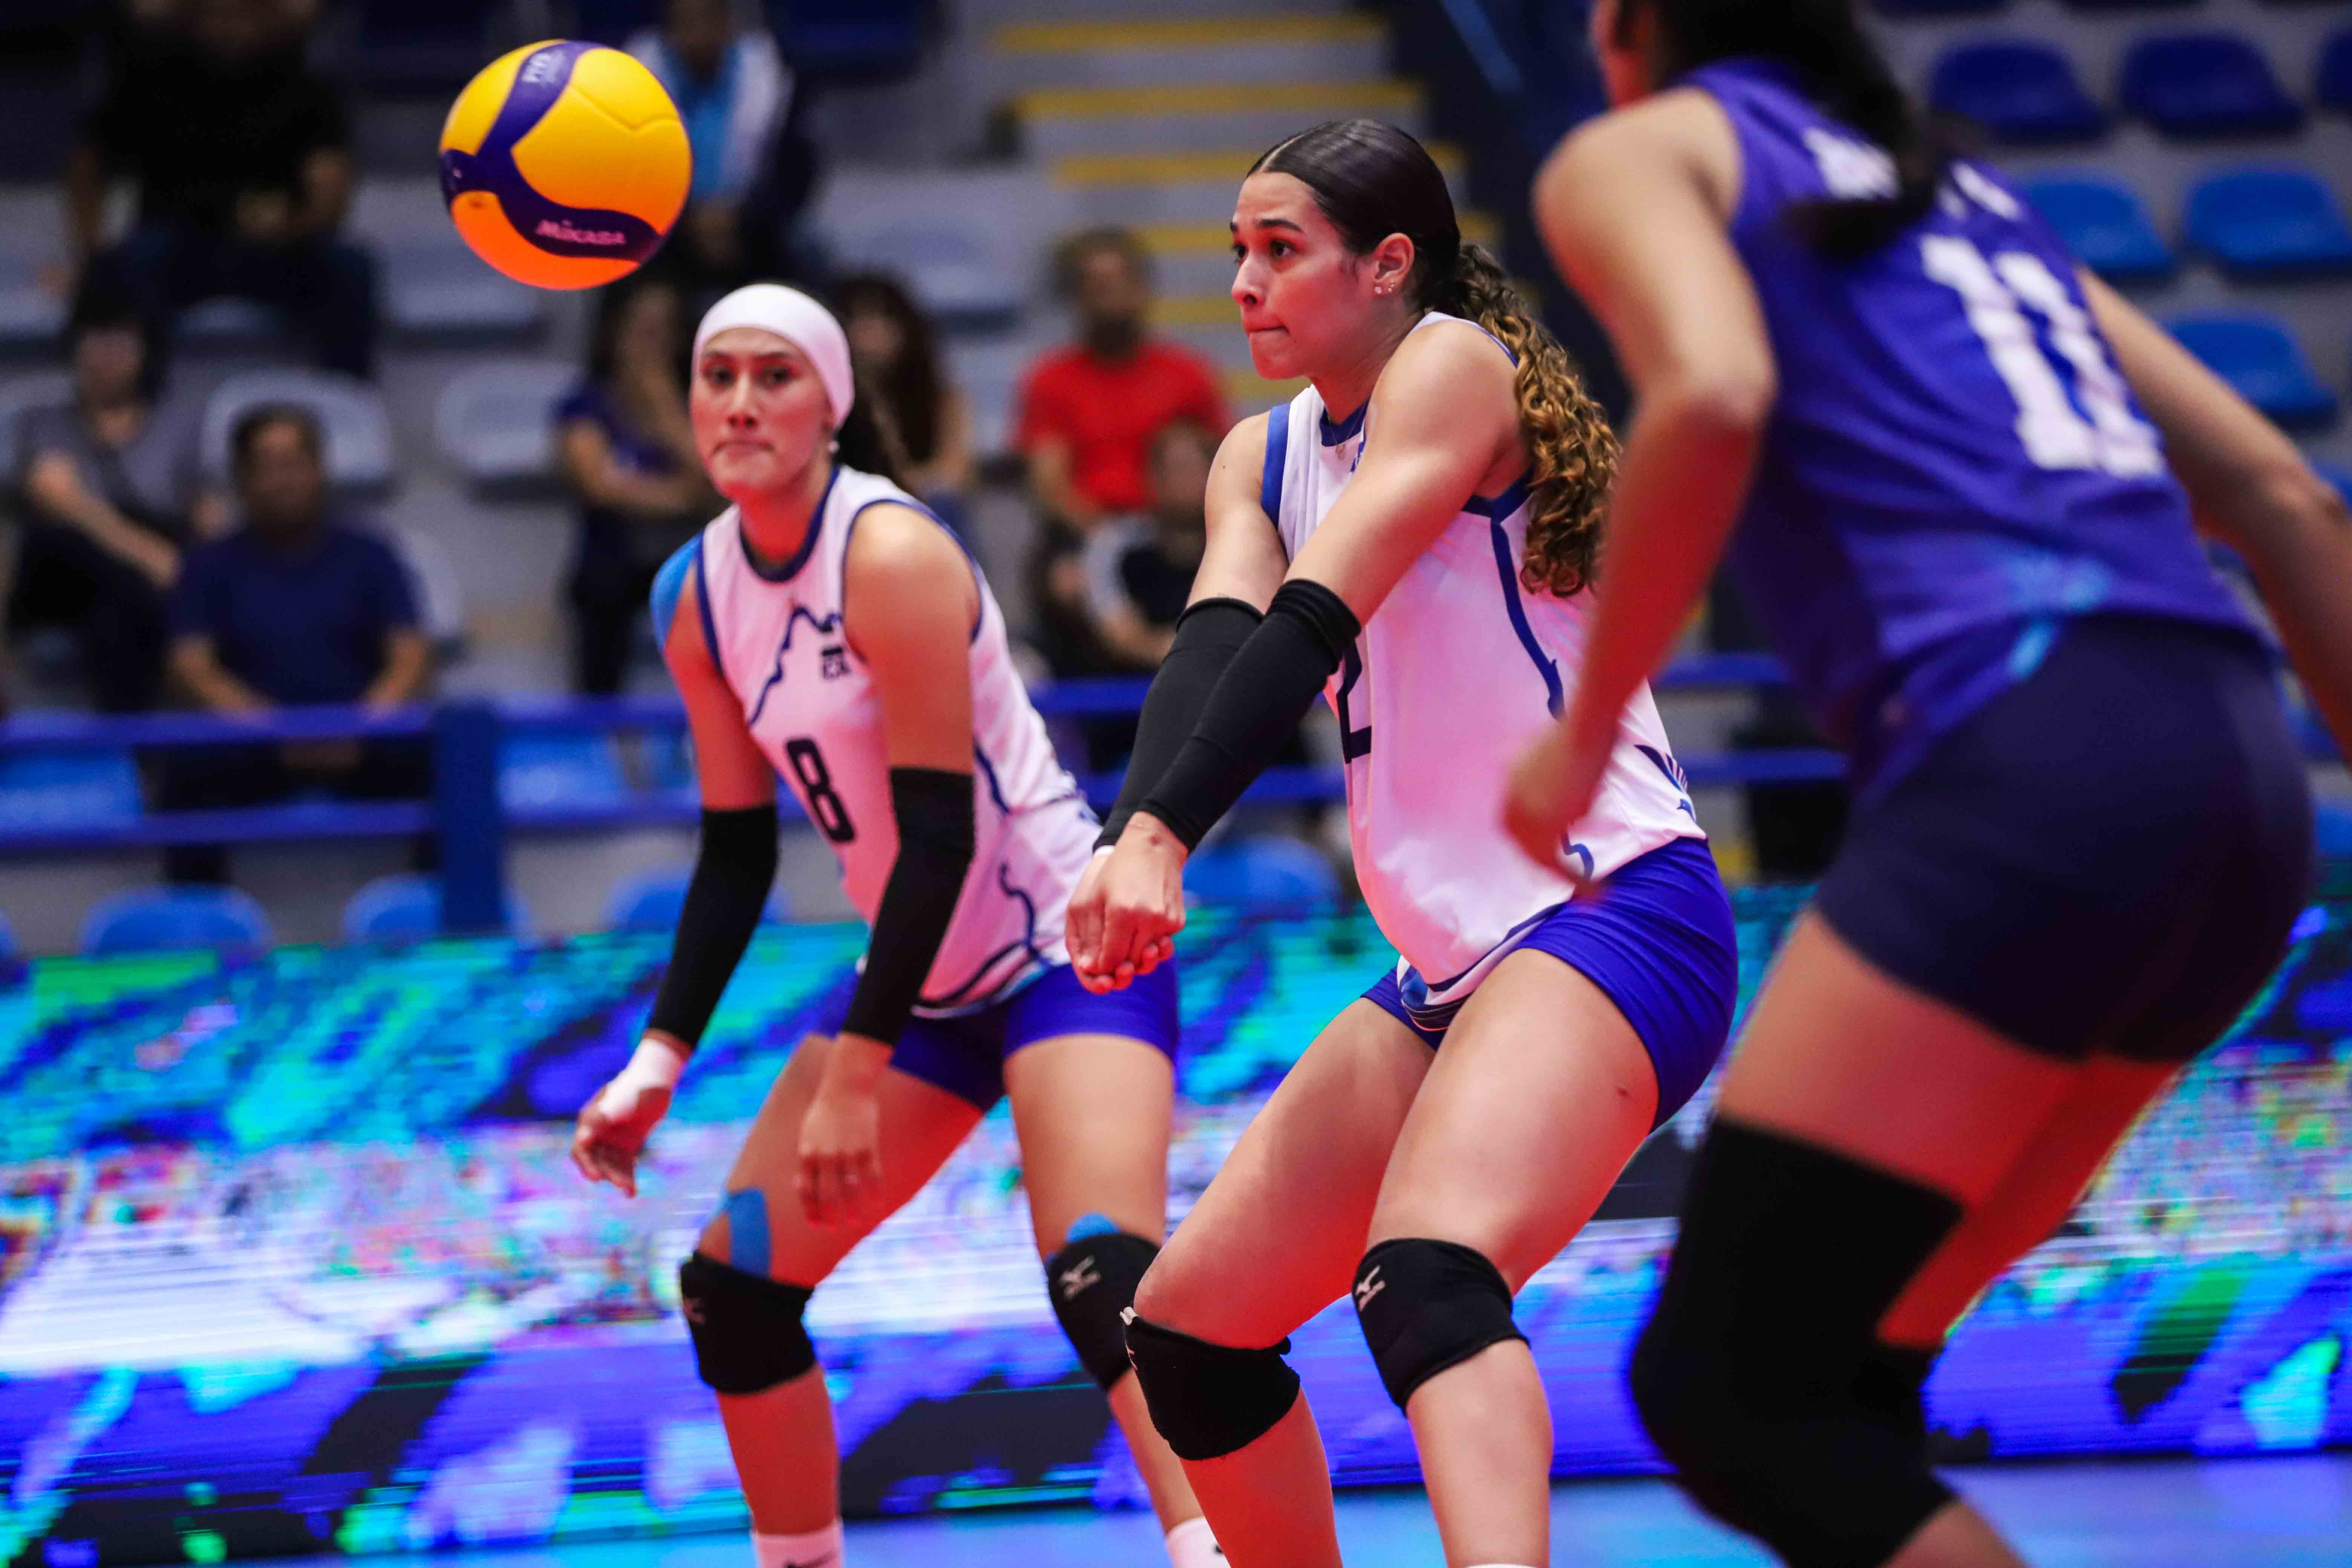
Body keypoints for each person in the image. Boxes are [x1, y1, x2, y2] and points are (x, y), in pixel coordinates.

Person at [1503, 4, 2350, 1565]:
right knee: (1858, 1361)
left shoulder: (1643, 153)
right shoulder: (1957, 193)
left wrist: (1589, 723)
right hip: (2238, 771)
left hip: (2031, 754)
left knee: (1729, 1391)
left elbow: (1711, 392)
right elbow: (2284, 495)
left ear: (1629, 25)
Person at [1070, 119, 1739, 1568]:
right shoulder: (1258, 455)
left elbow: (1317, 614)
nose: (1243, 283)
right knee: (1186, 1333)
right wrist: (1130, 833)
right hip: (1450, 966)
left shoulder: (1449, 365)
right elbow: (1218, 646)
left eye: (1280, 249)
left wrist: (1167, 836)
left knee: (1428, 1274)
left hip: (1614, 910)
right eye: (1236, 251)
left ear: (1388, 266)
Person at [565, 285, 1224, 1568]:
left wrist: (855, 1072)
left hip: (1067, 953)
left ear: (832, 407)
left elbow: (942, 840)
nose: (740, 403)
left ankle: (1214, 1547)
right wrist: (656, 1062)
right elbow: (737, 850)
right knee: (734, 1292)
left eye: (774, 376)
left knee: (1102, 1275)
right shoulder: (692, 595)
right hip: (926, 978)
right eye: (716, 376)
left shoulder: (890, 552)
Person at [162, 405, 432, 882]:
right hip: (253, 743)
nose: (282, 480)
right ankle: (197, 919)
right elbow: (191, 667)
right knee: (187, 773)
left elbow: (410, 656)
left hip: (360, 740)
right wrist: (272, 731)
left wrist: (361, 727)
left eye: (294, 463)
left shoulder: (372, 554)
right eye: (266, 466)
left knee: (450, 763)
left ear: (320, 468)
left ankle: (438, 916)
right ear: (241, 478)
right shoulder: (208, 564)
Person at [67, 0, 379, 379]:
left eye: (244, 13)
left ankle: (347, 399)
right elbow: (88, 164)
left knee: (350, 266)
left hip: (278, 249)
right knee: (127, 265)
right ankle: (138, 403)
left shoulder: (307, 90)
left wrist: (292, 224)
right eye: (219, 13)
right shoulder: (153, 83)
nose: (231, 25)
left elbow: (331, 195)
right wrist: (89, 254)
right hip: (177, 246)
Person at [9, 291, 226, 713]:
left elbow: (207, 519)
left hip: (144, 584)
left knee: (122, 606)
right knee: (102, 564)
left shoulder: (180, 424)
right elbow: (57, 507)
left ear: (147, 352)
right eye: (94, 341)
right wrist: (148, 555)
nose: (105, 357)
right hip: (59, 574)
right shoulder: (42, 423)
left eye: (121, 343)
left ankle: (132, 731)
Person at [557, 277, 719, 696]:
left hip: (690, 557)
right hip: (614, 561)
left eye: (664, 330)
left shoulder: (704, 404)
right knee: (603, 582)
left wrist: (664, 406)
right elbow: (600, 487)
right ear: (612, 331)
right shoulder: (586, 404)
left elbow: (719, 482)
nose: (652, 344)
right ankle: (600, 716)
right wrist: (685, 496)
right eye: (641, 328)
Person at [628, 0, 820, 299]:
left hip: (755, 228)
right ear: (666, 28)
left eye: (706, 19)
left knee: (800, 273)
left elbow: (797, 172)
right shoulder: (632, 81)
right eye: (685, 23)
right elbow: (625, 176)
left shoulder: (772, 75)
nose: (697, 35)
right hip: (666, 232)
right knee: (634, 281)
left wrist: (740, 216)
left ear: (728, 21)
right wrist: (687, 219)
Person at [835, 272, 975, 528]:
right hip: (848, 510)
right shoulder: (825, 399)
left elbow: (957, 473)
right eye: (860, 320)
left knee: (941, 504)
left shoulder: (938, 393)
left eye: (884, 319)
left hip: (921, 505)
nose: (872, 333)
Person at [1078, 420, 1216, 673]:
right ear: (1152, 478)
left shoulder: (1238, 548)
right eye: (1175, 469)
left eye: (1194, 468)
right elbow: (1119, 635)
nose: (1185, 481)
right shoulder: (1115, 546)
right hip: (1128, 684)